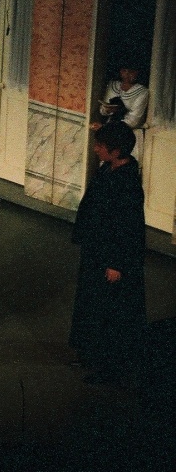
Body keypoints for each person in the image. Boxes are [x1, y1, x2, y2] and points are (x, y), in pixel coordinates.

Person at [69, 121, 147, 385]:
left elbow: (129, 227)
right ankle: (90, 354)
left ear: (116, 151)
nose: (95, 149)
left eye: (101, 146)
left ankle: (111, 369)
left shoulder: (128, 183)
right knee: (92, 305)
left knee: (111, 313)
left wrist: (117, 263)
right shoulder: (108, 168)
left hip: (112, 259)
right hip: (97, 251)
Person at [91, 65, 149, 130]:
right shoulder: (114, 85)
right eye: (124, 70)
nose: (127, 74)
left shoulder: (142, 91)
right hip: (109, 125)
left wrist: (105, 127)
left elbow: (133, 121)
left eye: (131, 72)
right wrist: (107, 110)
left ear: (137, 73)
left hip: (127, 129)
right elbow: (102, 110)